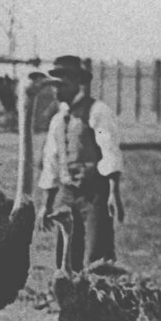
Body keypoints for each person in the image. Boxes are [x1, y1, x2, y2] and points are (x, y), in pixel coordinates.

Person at [37, 55, 125, 271]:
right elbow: (51, 162)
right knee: (66, 258)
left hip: (94, 194)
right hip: (66, 194)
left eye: (63, 85)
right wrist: (46, 204)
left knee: (97, 256)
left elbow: (110, 151)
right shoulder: (57, 120)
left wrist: (114, 193)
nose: (57, 91)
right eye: (55, 85)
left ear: (77, 83)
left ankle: (100, 301)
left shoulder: (97, 111)